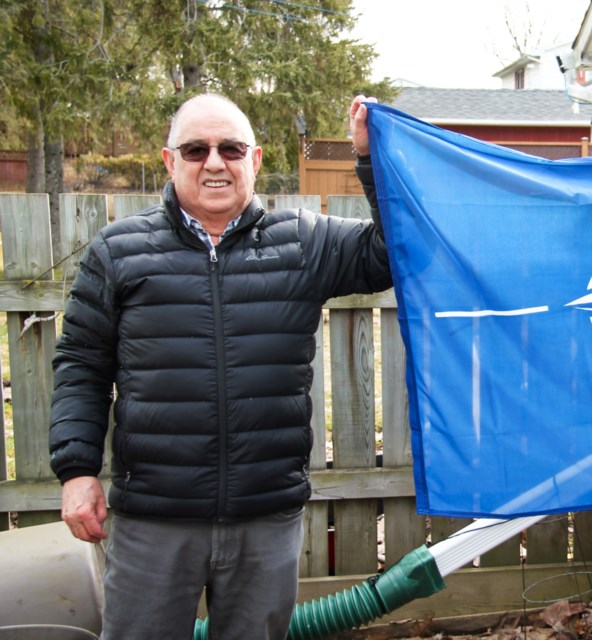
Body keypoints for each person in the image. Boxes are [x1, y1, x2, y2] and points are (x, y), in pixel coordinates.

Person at [49, 93, 388, 640]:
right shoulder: (119, 251)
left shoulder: (302, 242)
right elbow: (82, 365)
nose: (214, 162)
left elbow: (391, 252)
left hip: (265, 517)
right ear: (169, 161)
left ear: (253, 160)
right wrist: (77, 469)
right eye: (196, 149)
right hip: (153, 520)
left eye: (230, 148)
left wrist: (372, 158)